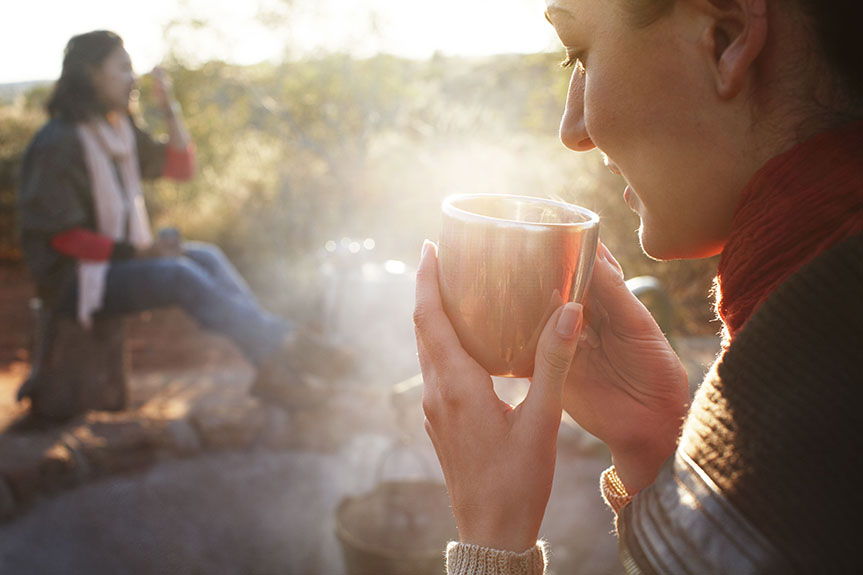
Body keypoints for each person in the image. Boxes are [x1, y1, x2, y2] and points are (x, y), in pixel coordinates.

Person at [414, 0, 862, 573]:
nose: (572, 130)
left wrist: (492, 543)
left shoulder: (816, 395)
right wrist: (659, 446)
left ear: (724, 38)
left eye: (580, 54)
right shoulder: (819, 313)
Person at [18, 30, 350, 412]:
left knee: (205, 256)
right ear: (92, 73)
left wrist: (168, 106)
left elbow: (181, 166)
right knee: (177, 275)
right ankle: (290, 349)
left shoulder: (117, 131)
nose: (132, 78)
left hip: (115, 262)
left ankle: (275, 369)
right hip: (75, 281)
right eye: (123, 68)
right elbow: (61, 237)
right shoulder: (58, 142)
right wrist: (141, 253)